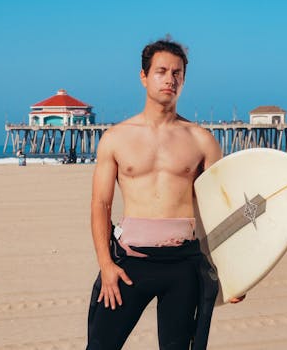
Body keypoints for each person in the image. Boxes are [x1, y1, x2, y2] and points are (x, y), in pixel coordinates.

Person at [87, 38, 244, 350]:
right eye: (161, 71)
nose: (170, 79)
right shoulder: (116, 138)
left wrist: (235, 273)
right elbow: (101, 204)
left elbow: (220, 210)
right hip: (129, 262)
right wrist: (106, 265)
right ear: (144, 77)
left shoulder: (202, 141)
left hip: (184, 264)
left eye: (177, 73)